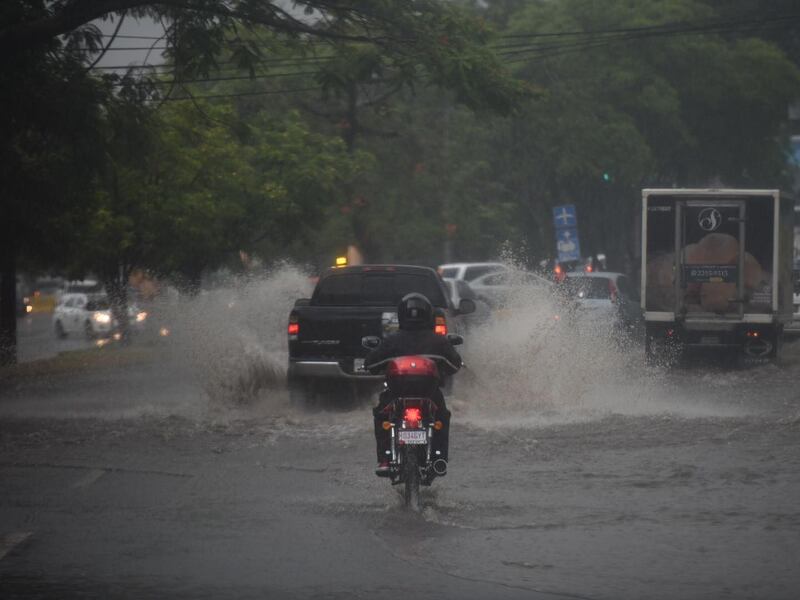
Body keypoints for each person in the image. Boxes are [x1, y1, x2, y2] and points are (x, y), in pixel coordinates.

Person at [365, 293, 462, 476]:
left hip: (395, 394)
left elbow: (371, 364)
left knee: (381, 415)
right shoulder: (438, 341)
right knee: (442, 417)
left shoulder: (391, 341)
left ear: (402, 315)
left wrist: (370, 364)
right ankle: (438, 459)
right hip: (430, 394)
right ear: (429, 315)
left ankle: (385, 460)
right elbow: (454, 365)